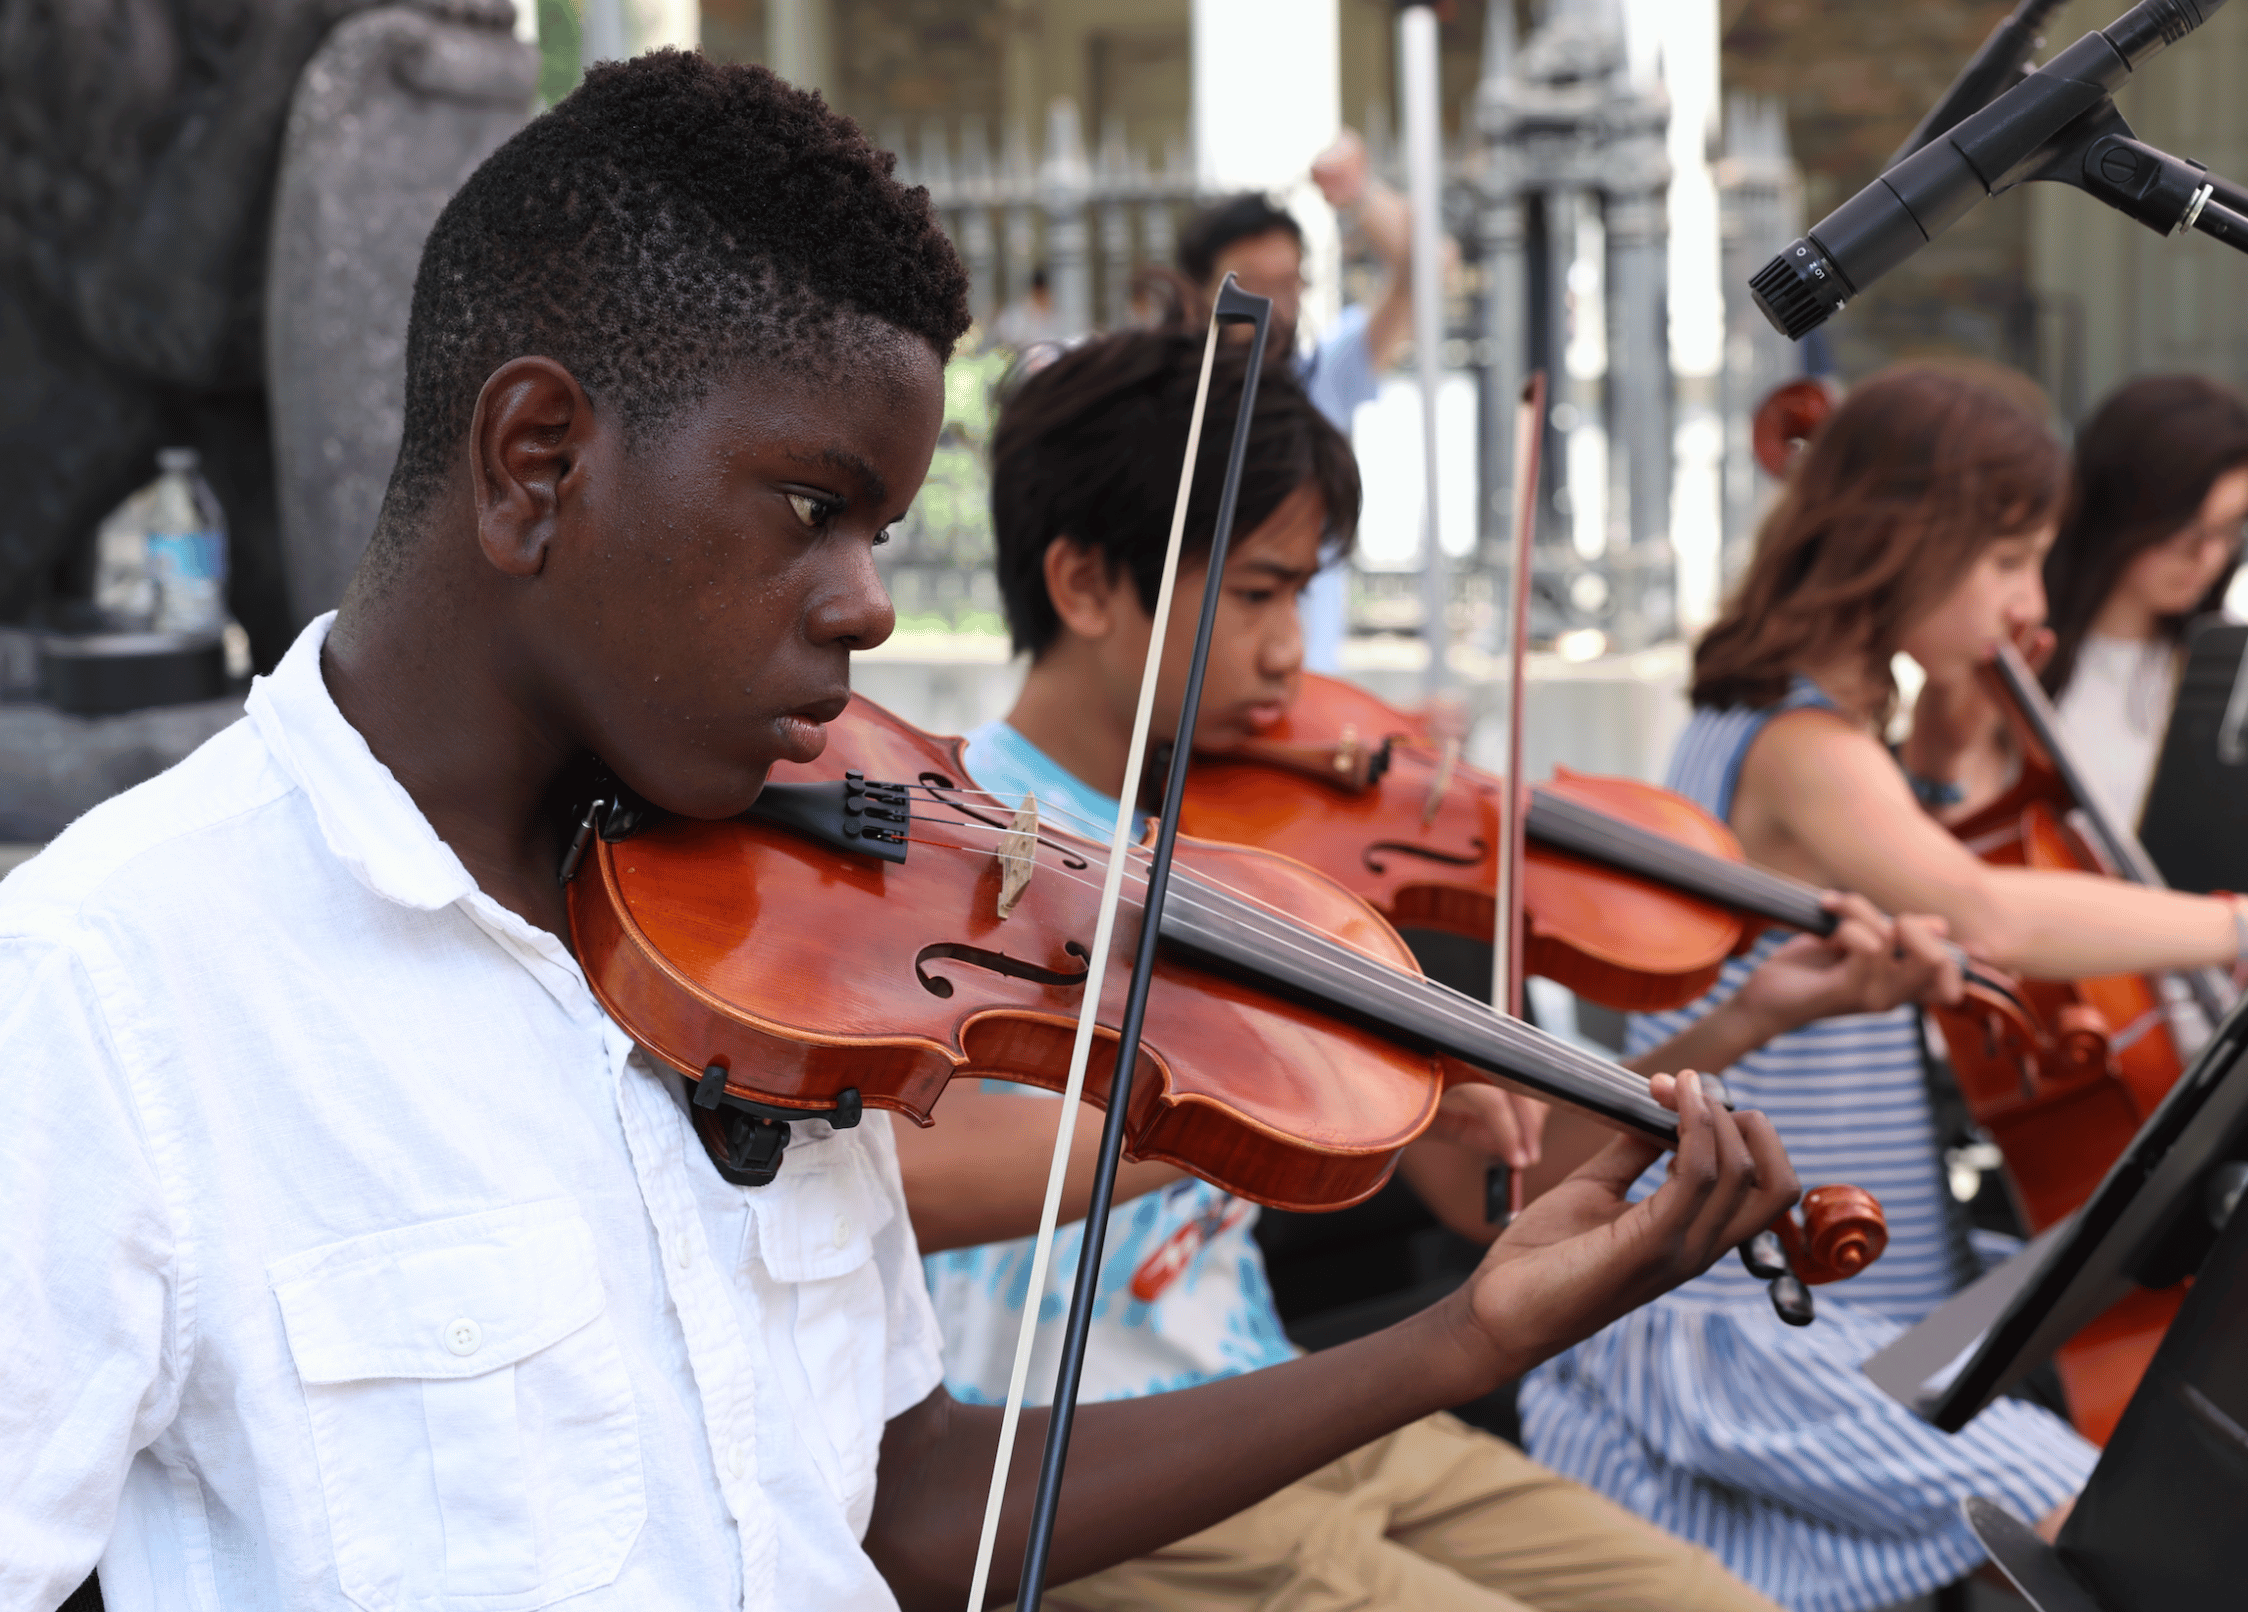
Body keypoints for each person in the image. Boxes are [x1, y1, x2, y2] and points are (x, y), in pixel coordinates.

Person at [1, 53, 1815, 1612]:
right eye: (812, 508)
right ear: (536, 457)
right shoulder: (112, 986)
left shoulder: (765, 945)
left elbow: (905, 1499)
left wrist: (1462, 1340)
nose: (869, 607)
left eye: (879, 529)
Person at [897, 330, 1969, 1612]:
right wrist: (1285, 1101)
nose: (1298, 652)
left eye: (1305, 595)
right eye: (1257, 594)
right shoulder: (962, 842)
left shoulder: (1265, 865)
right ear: (1081, 583)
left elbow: (1491, 1203)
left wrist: (1738, 1022)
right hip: (1095, 1463)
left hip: (1290, 1405)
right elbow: (925, 1180)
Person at [1513, 364, 2248, 1612]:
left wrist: (1947, 736)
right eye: (2009, 561)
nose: (2032, 602)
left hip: (1854, 1281)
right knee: (2108, 1517)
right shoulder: (1797, 743)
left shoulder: (1803, 725)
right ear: (1905, 539)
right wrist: (2245, 926)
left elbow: (1926, 851)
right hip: (1751, 1315)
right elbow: (1980, 908)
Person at [1178, 128, 1418, 671]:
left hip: (1309, 683)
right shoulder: (1172, 406)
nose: (1276, 309)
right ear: (1197, 291)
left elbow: (1424, 267)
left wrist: (1360, 192)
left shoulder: (1323, 378)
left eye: (1289, 285)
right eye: (1254, 287)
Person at [2039, 375, 2248, 828]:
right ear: (2119, 509)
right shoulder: (2028, 658)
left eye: (2229, 530)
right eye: (2187, 529)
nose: (2209, 557)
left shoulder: (2232, 670)